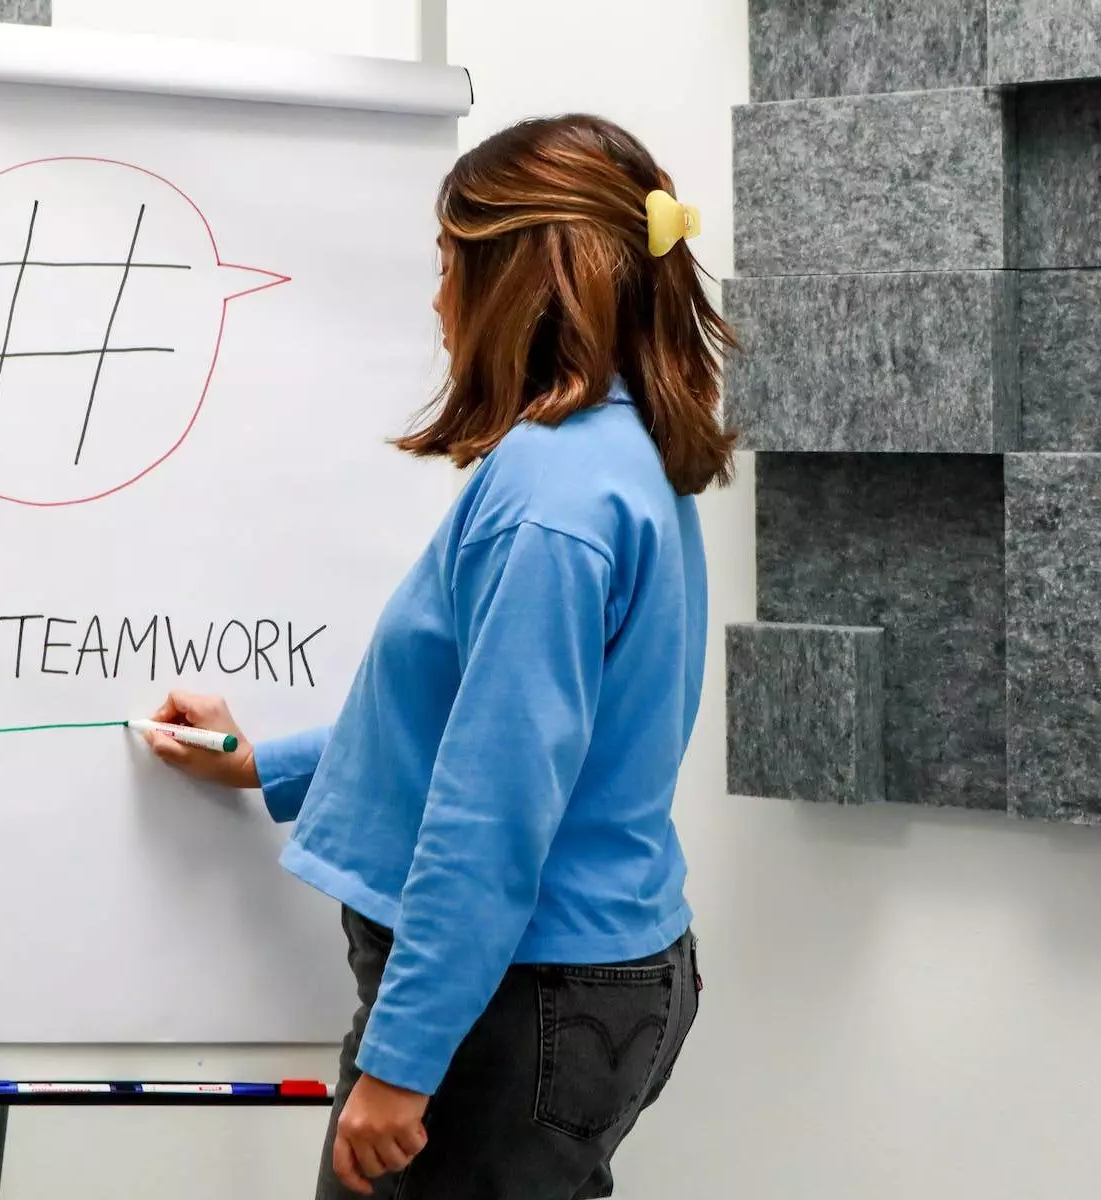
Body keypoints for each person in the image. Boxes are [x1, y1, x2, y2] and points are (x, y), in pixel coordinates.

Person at [142, 113, 734, 1198]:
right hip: (593, 979)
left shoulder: (545, 501)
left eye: (447, 263)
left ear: (519, 279)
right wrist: (258, 764)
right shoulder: (617, 452)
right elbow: (456, 721)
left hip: (514, 1004)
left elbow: (492, 809)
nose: (435, 298)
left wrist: (402, 1068)